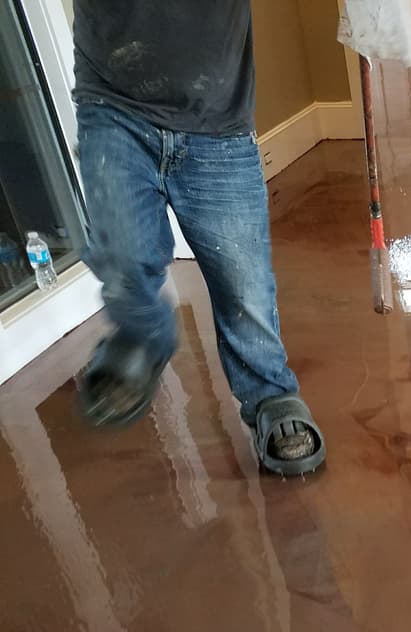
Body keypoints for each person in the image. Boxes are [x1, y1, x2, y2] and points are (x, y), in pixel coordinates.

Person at [71, 0, 325, 477]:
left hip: (218, 120)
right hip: (113, 105)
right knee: (122, 250)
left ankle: (271, 396)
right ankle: (144, 331)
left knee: (243, 280)